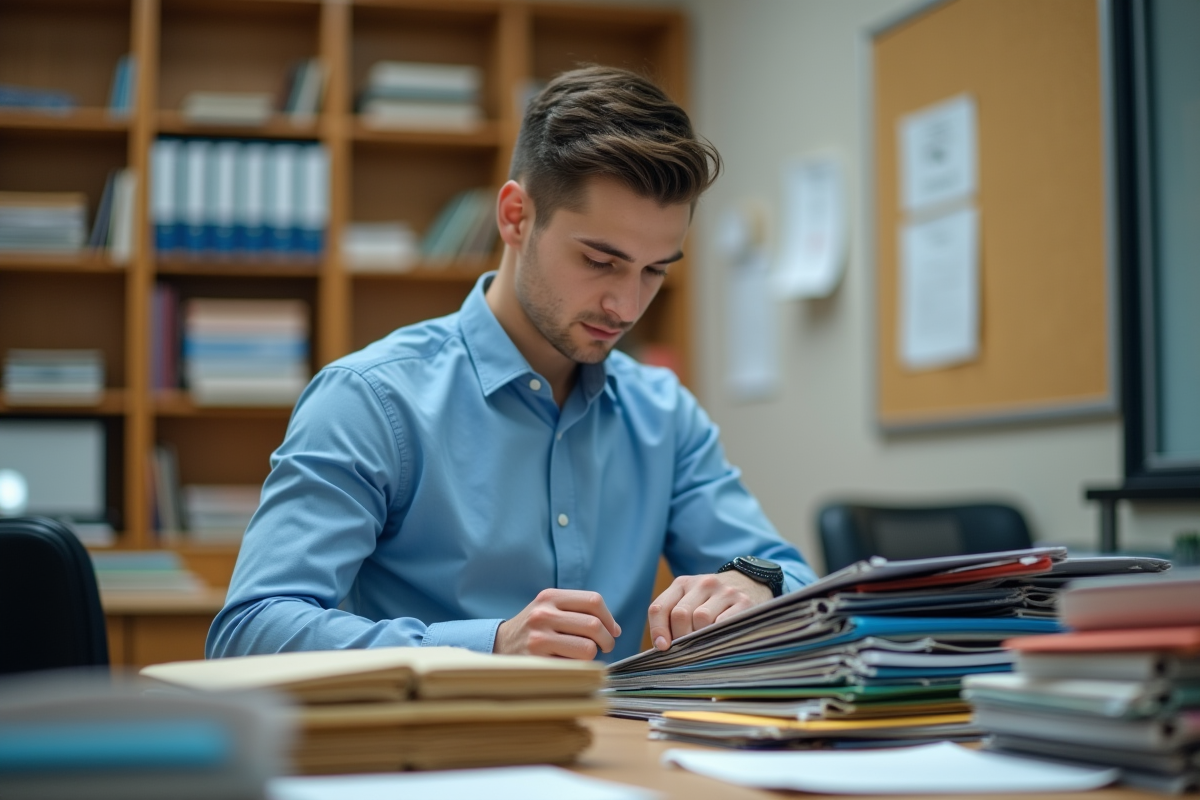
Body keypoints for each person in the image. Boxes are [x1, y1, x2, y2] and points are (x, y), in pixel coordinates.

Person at [207, 66, 815, 664]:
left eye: (654, 269)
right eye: (601, 261)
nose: (627, 305)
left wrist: (752, 584)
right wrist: (489, 645)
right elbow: (249, 631)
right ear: (515, 217)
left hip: (617, 756)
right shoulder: (370, 399)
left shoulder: (663, 413)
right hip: (432, 757)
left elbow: (794, 579)